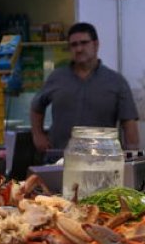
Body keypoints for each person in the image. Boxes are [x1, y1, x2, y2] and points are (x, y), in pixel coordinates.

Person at [30, 22, 139, 152]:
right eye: (74, 45)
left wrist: (131, 158)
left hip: (101, 160)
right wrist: (37, 135)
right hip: (60, 158)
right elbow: (36, 107)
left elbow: (129, 124)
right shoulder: (57, 78)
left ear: (96, 44)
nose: (79, 49)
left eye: (84, 43)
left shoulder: (116, 82)